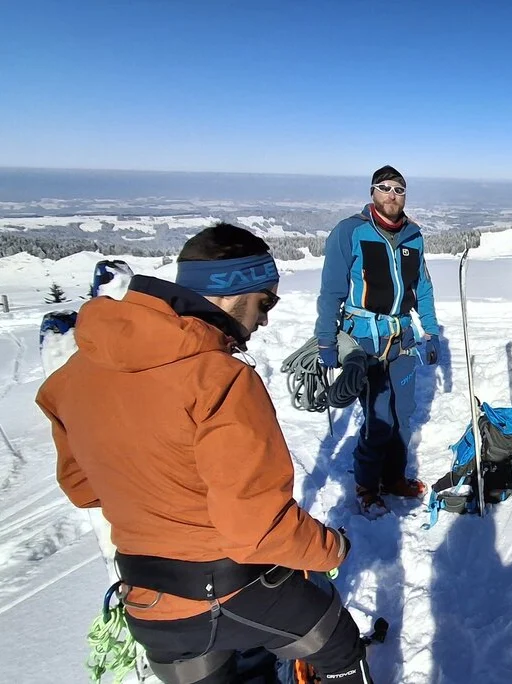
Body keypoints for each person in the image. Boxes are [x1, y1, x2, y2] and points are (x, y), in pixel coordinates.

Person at [35, 223, 372, 683]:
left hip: (151, 608)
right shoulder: (221, 379)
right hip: (239, 591)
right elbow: (257, 531)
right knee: (338, 649)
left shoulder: (72, 375)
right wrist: (332, 548)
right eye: (265, 301)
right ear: (233, 293)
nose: (266, 318)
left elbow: (82, 488)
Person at [315, 165, 441, 517]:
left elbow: (423, 288)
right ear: (372, 192)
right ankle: (367, 486)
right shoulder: (349, 232)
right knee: (378, 416)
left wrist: (429, 330)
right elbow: (331, 292)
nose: (391, 195)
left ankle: (393, 477)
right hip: (365, 340)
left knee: (404, 413)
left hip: (401, 339)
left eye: (398, 189)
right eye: (384, 188)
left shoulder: (413, 235)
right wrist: (326, 340)